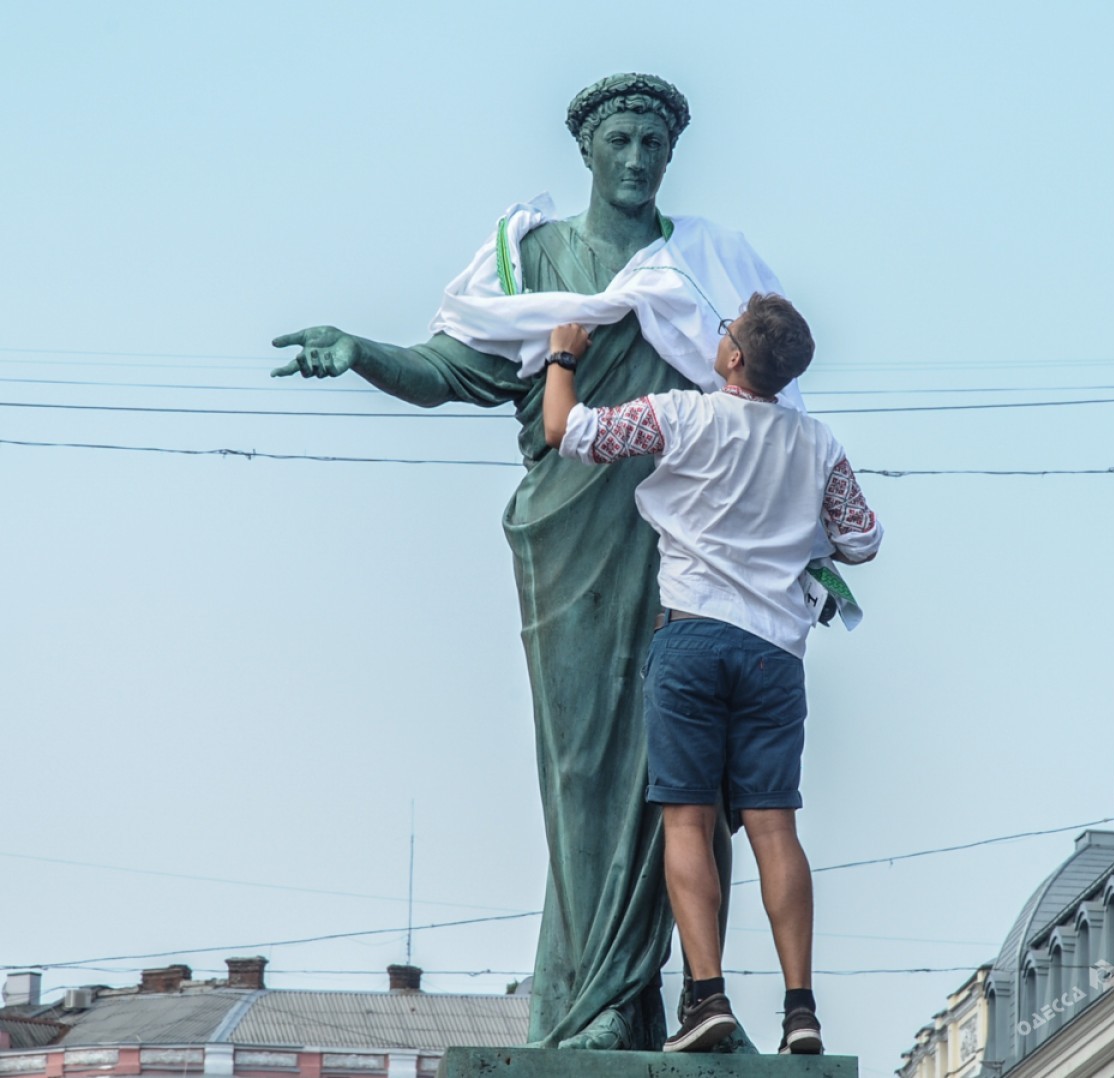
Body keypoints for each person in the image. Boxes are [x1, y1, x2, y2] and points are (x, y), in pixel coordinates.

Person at [270, 74, 795, 1051]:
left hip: (693, 547)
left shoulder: (708, 268)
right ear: (588, 152)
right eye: (622, 142)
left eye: (654, 145)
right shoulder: (534, 260)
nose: (638, 160)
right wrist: (360, 349)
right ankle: (596, 1006)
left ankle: (687, 1003)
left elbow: (769, 413)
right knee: (589, 768)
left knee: (692, 779)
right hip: (569, 541)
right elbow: (453, 368)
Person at [543, 294, 883, 1055]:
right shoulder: (819, 443)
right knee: (775, 827)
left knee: (688, 820)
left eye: (725, 329)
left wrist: (564, 354)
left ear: (733, 357)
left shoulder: (683, 415)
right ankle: (801, 1010)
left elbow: (567, 430)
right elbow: (861, 541)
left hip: (693, 637)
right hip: (775, 655)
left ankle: (707, 998)